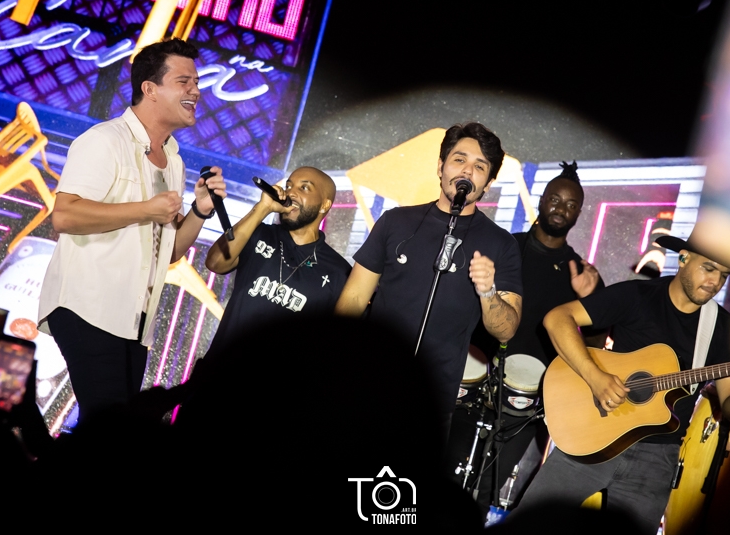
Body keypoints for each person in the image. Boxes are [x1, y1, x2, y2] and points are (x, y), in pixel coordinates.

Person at [37, 38, 226, 422]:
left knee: (117, 430)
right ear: (150, 89)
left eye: (196, 82)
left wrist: (200, 210)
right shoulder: (105, 140)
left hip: (135, 323)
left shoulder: (173, 160)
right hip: (88, 308)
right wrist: (145, 209)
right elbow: (65, 216)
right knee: (109, 427)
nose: (196, 91)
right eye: (184, 81)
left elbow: (170, 251)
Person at [510, 233, 730, 534]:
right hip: (595, 433)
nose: (715, 282)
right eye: (709, 268)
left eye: (724, 275)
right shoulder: (638, 295)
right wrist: (595, 377)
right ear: (684, 258)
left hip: (656, 459)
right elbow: (558, 318)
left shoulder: (723, 328)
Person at [335, 122, 523, 424]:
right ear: (440, 167)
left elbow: (506, 330)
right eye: (459, 159)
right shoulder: (395, 222)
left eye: (479, 166)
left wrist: (488, 291)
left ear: (488, 183)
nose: (467, 170)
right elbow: (355, 298)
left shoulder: (501, 244)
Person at [468, 161, 606, 507]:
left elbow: (594, 347)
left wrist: (590, 301)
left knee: (485, 490)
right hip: (476, 382)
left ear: (578, 214)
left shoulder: (583, 274)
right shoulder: (506, 248)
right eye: (555, 200)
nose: (561, 208)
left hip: (529, 401)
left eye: (571, 204)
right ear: (542, 201)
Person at [205, 166, 351, 346]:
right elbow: (215, 263)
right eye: (288, 186)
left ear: (324, 205)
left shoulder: (338, 272)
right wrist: (263, 207)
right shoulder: (258, 233)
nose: (291, 193)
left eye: (304, 188)